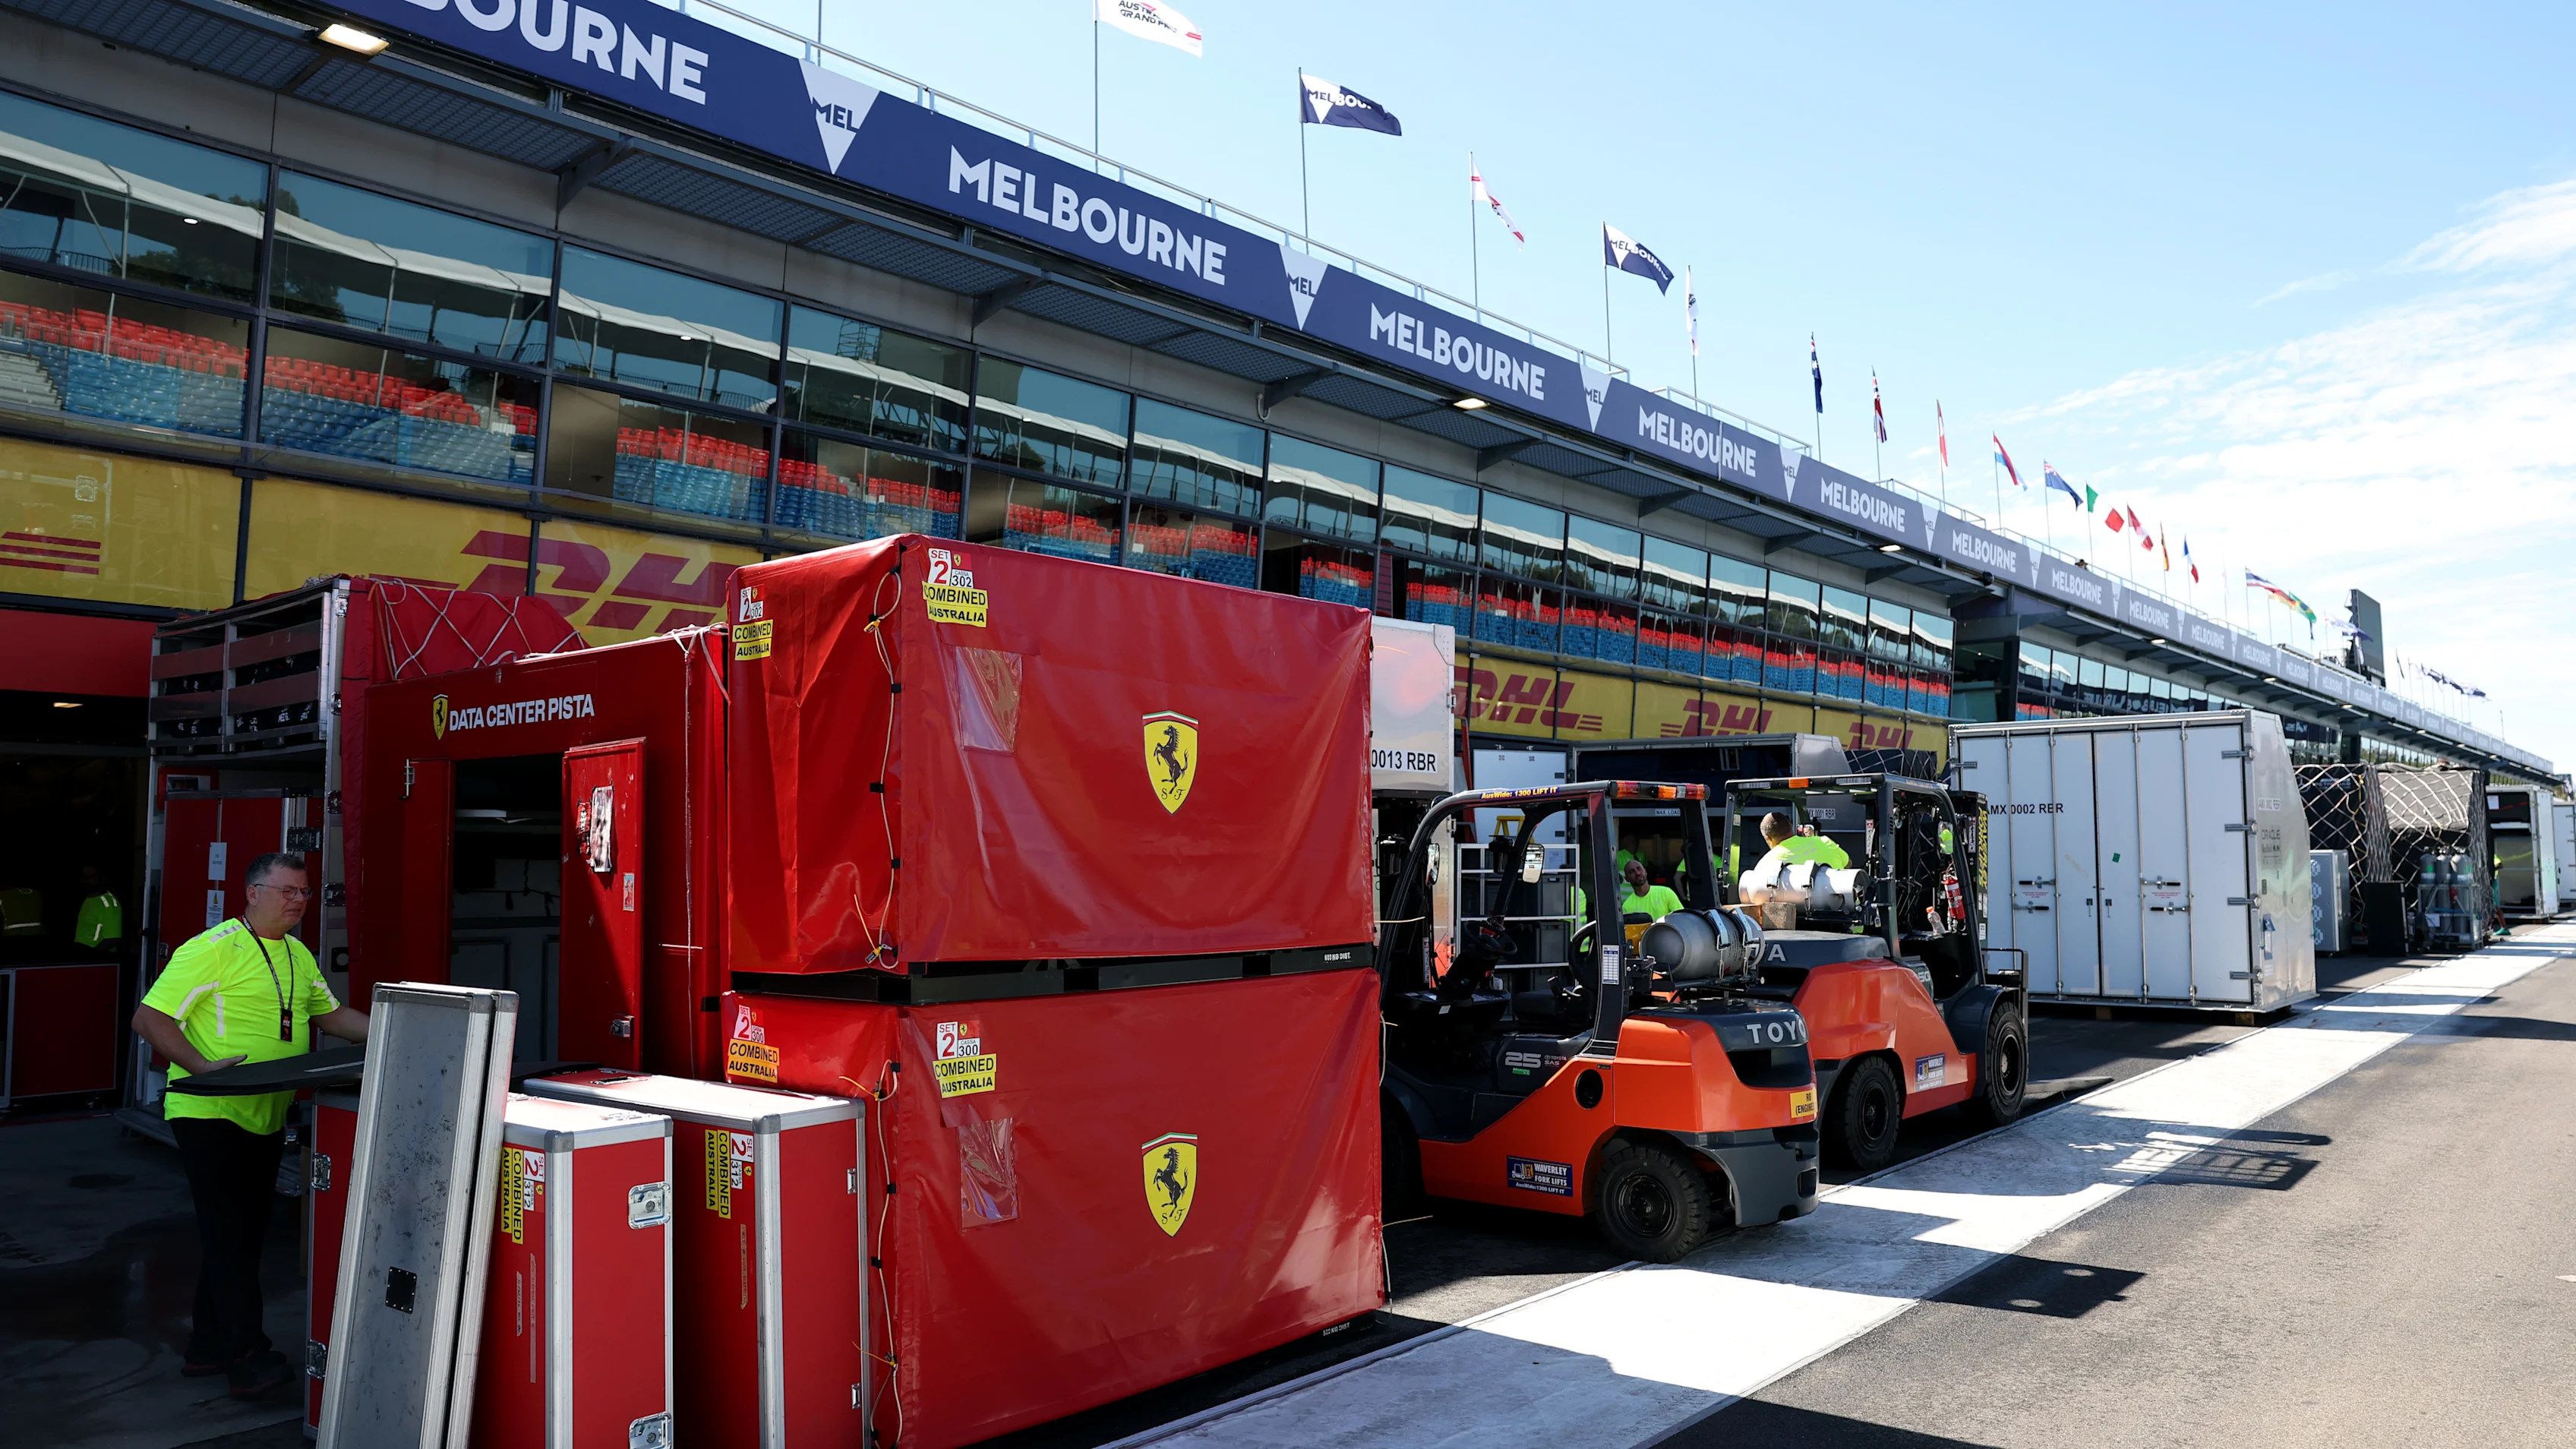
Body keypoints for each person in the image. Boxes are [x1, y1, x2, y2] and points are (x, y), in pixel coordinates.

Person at [131, 854, 368, 1398]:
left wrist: (396, 1026)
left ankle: (207, 1348)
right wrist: (201, 1067)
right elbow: (149, 1017)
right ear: (252, 893)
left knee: (237, 1235)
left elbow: (330, 1015)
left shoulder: (298, 954)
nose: (298, 901)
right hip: (210, 1113)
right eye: (287, 891)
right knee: (231, 1235)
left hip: (264, 1114)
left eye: (304, 893)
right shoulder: (212, 948)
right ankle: (247, 1353)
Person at [1751, 811, 1852, 876]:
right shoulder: (1825, 841)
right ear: (1791, 828)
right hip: (1845, 902)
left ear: (1768, 838)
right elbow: (1848, 864)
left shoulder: (1766, 864)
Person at [74, 864, 122, 953]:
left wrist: (92, 955)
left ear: (102, 878)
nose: (87, 880)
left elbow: (112, 939)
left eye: (92, 876)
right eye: (84, 876)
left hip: (97, 958)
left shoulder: (108, 905)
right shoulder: (88, 898)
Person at [1618, 858, 1684, 920]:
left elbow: (1681, 919)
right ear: (1627, 879)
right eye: (1632, 872)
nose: (1637, 873)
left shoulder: (1666, 893)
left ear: (1645, 871)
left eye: (1639, 869)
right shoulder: (1626, 907)